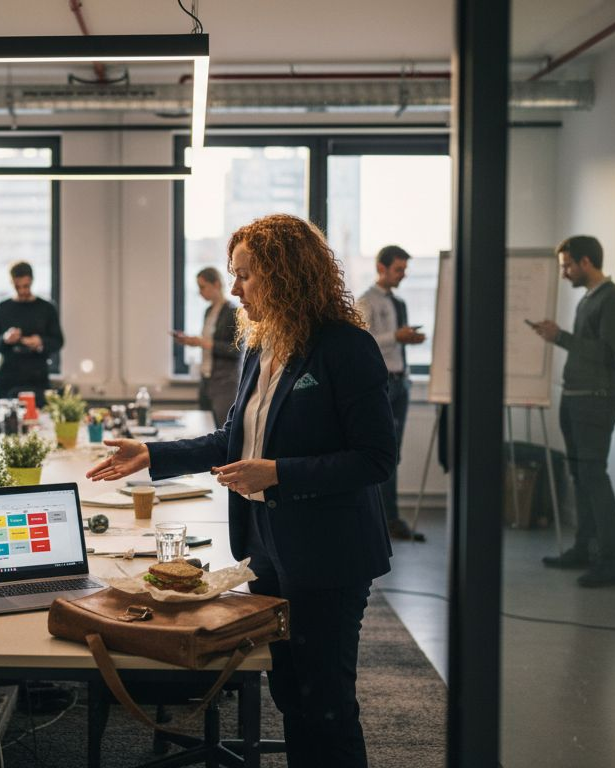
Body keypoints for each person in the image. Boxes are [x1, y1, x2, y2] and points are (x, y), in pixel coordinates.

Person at [87, 214, 395, 767]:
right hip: (265, 542)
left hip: (328, 549)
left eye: (246, 275)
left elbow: (375, 458)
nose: (235, 289)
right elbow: (234, 439)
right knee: (290, 691)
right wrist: (153, 454)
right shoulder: (261, 344)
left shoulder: (345, 347)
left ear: (286, 275)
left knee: (326, 701)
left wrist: (278, 473)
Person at [530, 235, 615, 588]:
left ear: (585, 262)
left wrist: (560, 337)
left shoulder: (614, 299)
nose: (564, 273)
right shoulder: (589, 298)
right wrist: (559, 337)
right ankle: (584, 549)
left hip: (596, 400)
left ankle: (611, 563)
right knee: (581, 476)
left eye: (567, 266)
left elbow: (606, 353)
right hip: (575, 398)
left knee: (594, 476)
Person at [356, 245, 427, 543]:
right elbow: (361, 340)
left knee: (394, 454)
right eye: (399, 269)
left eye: (405, 269)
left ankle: (389, 518)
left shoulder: (398, 303)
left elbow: (394, 342)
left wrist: (408, 339)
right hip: (381, 383)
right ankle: (383, 519)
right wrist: (395, 337)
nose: (403, 275)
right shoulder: (366, 301)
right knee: (381, 451)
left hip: (401, 381)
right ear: (381, 268)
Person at [0, 261, 63, 406]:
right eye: (17, 286)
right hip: (8, 377)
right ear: (12, 282)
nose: (22, 291)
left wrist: (40, 342)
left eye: (25, 286)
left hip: (37, 377)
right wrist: (5, 339)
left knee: (38, 416)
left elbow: (58, 341)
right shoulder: (2, 308)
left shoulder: (46, 308)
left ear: (32, 281)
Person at [172, 266, 240, 425]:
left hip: (225, 381)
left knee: (222, 427)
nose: (200, 292)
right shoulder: (208, 311)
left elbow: (237, 350)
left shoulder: (233, 312)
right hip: (207, 378)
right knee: (206, 426)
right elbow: (208, 343)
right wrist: (193, 342)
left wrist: (204, 343)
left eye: (202, 287)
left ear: (216, 284)